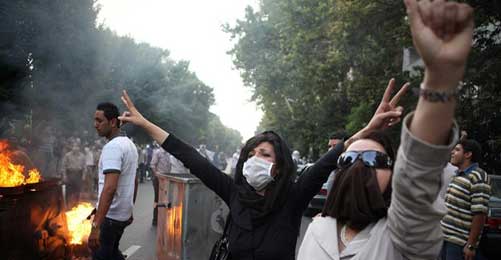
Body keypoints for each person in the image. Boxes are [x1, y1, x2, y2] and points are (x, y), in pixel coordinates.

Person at [117, 72, 407, 258]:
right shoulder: (233, 193)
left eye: (266, 154)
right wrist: (145, 124)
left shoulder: (294, 198)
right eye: (252, 153)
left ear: (279, 166)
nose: (256, 159)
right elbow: (189, 155)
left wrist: (369, 128)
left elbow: (328, 161)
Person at [297, 0, 475, 259]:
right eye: (348, 159)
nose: (359, 165)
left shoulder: (403, 237)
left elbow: (419, 171)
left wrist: (440, 77)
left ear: (394, 175)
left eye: (375, 159)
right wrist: (367, 129)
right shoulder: (316, 229)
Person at [88, 102, 138, 260]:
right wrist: (129, 210)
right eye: (94, 120)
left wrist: (96, 226)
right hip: (121, 217)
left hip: (109, 219)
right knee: (112, 254)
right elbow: (134, 181)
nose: (95, 125)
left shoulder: (113, 147)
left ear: (113, 122)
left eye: (99, 120)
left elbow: (109, 189)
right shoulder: (129, 145)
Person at [441, 139, 491, 260]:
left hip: (458, 243)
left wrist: (471, 245)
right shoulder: (457, 174)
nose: (452, 152)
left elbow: (479, 214)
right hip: (444, 239)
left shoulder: (478, 176)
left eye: (457, 150)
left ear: (468, 154)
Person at [150, 142, 171, 226]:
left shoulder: (169, 154)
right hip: (158, 179)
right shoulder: (158, 152)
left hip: (167, 179)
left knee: (166, 199)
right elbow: (152, 165)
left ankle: (164, 219)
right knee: (157, 199)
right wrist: (157, 175)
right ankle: (155, 220)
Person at [61, 144, 85, 208]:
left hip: (78, 175)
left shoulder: (82, 156)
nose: (75, 148)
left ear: (79, 148)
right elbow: (63, 166)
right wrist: (65, 176)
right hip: (70, 174)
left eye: (77, 146)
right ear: (72, 147)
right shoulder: (67, 155)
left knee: (77, 190)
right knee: (69, 191)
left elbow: (84, 167)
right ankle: (68, 205)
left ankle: (75, 205)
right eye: (74, 146)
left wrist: (83, 176)